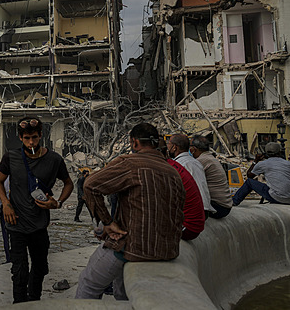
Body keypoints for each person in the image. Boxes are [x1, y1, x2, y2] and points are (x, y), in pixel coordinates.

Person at [76, 123, 185, 301]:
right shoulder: (173, 172)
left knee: (88, 283)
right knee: (123, 294)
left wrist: (108, 222)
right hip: (167, 251)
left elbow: (90, 185)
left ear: (134, 143)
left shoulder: (130, 163)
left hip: (133, 248)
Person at [0, 117, 74, 303]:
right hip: (16, 224)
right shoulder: (10, 157)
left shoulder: (54, 159)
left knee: (40, 267)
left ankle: (34, 299)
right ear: (21, 138)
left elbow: (68, 183)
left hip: (39, 225)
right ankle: (19, 303)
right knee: (19, 271)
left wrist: (58, 202)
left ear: (41, 137)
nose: (32, 142)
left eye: (35, 138)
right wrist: (5, 203)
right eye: (27, 138)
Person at [167, 134, 214, 215]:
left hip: (195, 211)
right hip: (204, 208)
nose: (167, 147)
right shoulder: (195, 162)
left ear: (174, 147)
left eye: (168, 144)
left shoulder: (179, 165)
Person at [190, 135, 232, 218]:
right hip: (225, 205)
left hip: (218, 207)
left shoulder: (201, 161)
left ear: (194, 149)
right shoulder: (210, 158)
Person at [0, 176, 11, 263]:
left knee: (7, 236)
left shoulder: (5, 178)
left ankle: (9, 258)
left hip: (6, 210)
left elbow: (0, 195)